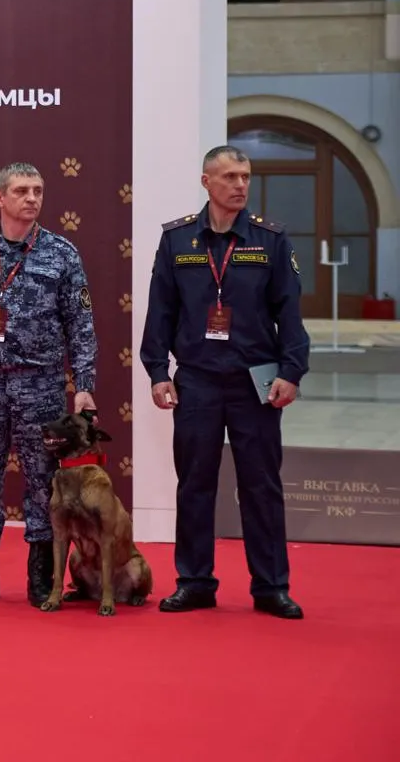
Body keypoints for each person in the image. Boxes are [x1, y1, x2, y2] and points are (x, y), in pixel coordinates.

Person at [140, 145, 309, 619]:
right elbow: (161, 313)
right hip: (196, 380)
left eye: (246, 177)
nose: (240, 185)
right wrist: (158, 372)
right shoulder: (176, 241)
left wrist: (291, 372)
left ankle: (271, 586)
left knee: (261, 485)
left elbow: (290, 314)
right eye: (230, 177)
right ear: (206, 182)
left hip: (256, 380)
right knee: (194, 484)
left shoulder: (269, 240)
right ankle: (194, 582)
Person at [0, 163, 97, 606]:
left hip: (40, 384)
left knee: (43, 481)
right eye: (22, 190)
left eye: (38, 191)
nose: (32, 198)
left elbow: (80, 325)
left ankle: (41, 573)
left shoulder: (62, 253)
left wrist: (83, 383)